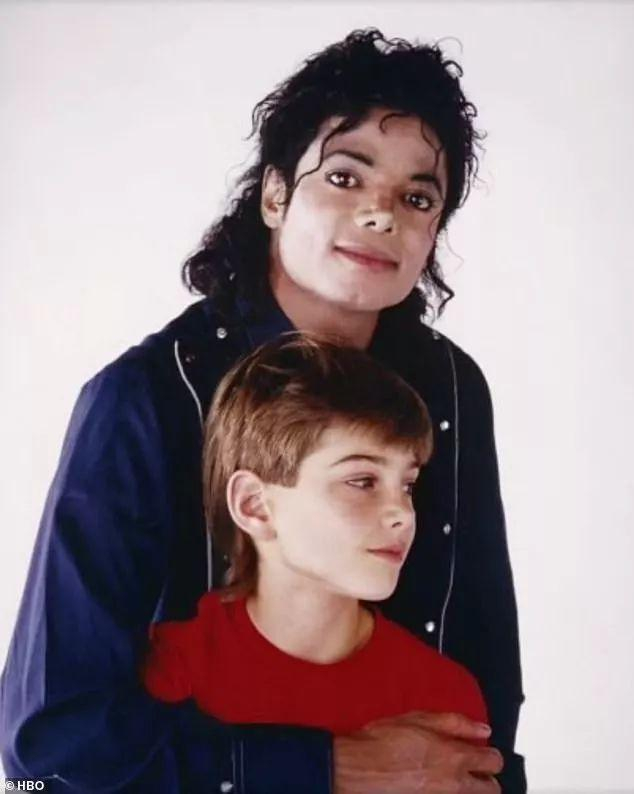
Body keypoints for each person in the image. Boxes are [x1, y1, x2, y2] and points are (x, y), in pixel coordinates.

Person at [0, 28, 524, 793]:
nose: (382, 215)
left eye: (417, 197)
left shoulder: (448, 386)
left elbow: (482, 661)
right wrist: (325, 768)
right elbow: (47, 745)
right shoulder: (145, 398)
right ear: (275, 196)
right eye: (344, 177)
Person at [142, 333, 489, 736]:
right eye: (362, 481)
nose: (403, 514)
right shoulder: (170, 675)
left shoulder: (444, 700)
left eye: (407, 486)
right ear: (254, 505)